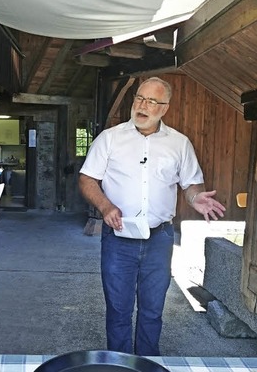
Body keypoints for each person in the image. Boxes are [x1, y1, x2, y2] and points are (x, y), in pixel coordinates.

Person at [78, 77, 226, 356]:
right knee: (118, 311)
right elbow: (87, 179)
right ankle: (120, 364)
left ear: (165, 108)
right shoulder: (110, 139)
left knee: (152, 310)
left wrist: (196, 198)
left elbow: (191, 183)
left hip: (159, 239)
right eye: (139, 98)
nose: (142, 106)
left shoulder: (179, 144)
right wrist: (105, 206)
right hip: (119, 238)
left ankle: (146, 362)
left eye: (151, 101)